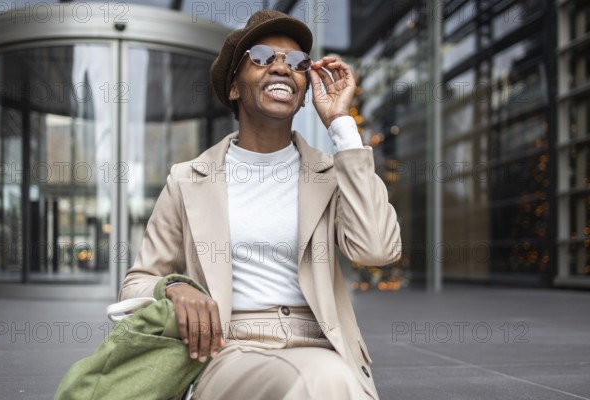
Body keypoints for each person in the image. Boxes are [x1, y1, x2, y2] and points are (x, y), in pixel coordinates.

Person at [119, 9, 401, 400]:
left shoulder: (330, 175)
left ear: (304, 94)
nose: (283, 67)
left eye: (299, 62)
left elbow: (377, 250)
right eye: (263, 56)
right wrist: (174, 289)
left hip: (323, 345)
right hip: (226, 350)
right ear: (234, 87)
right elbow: (135, 285)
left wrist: (343, 126)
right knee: (327, 383)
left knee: (328, 377)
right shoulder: (188, 180)